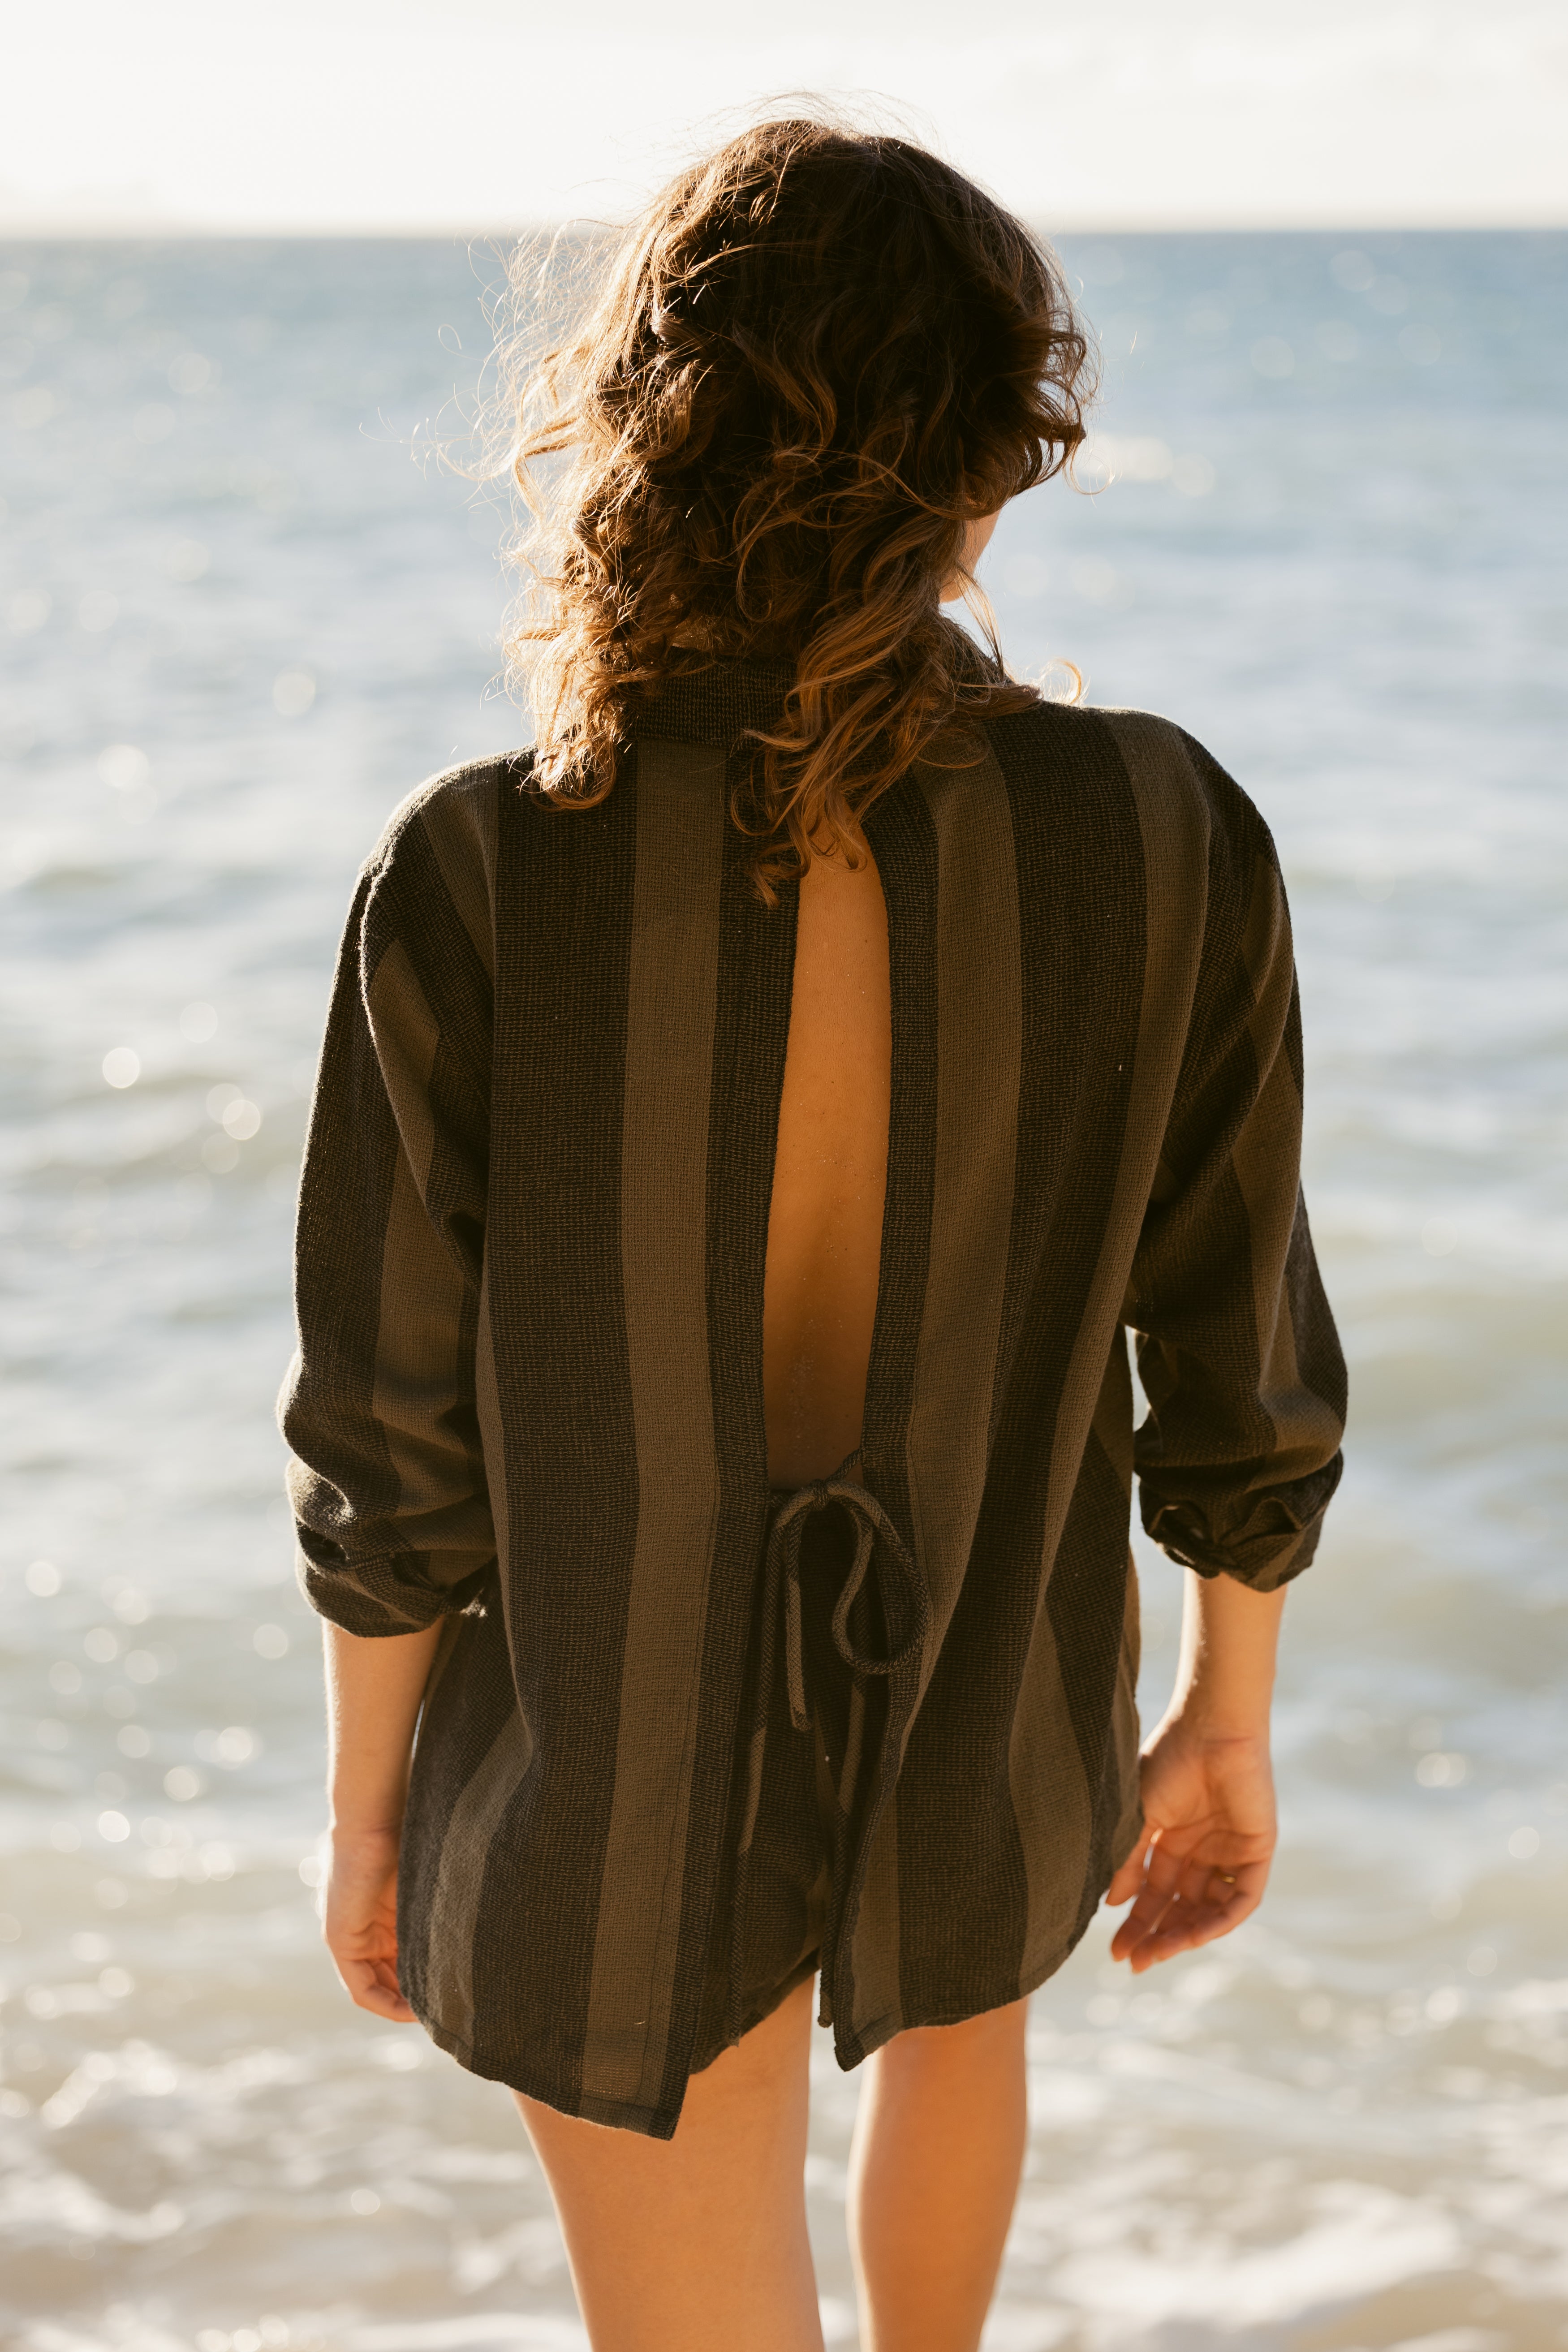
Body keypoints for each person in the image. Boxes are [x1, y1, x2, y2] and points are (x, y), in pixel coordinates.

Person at [279, 116, 1346, 2352]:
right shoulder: (1160, 832)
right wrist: (1222, 1718)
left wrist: (368, 1811)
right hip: (993, 1708)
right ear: (986, 448)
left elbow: (388, 1438)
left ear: (653, 431)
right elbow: (1232, 1349)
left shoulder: (485, 868)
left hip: (606, 1765)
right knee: (959, 2015)